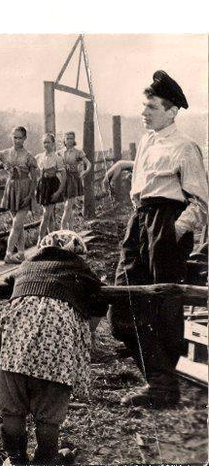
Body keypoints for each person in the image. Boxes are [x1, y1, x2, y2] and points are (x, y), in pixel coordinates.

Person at [108, 70, 208, 409]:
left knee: (163, 306)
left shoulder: (185, 147)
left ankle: (162, 386)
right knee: (122, 301)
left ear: (171, 111)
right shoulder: (149, 141)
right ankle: (162, 380)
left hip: (165, 225)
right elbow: (143, 185)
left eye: (151, 107)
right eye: (144, 105)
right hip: (140, 223)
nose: (144, 112)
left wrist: (173, 232)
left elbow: (201, 204)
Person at [0, 230, 107, 465]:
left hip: (15, 344)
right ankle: (46, 459)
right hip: (55, 348)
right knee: (48, 414)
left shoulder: (27, 265)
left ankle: (16, 459)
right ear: (77, 253)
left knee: (12, 410)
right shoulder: (79, 268)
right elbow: (100, 302)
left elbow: (8, 282)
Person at [0, 126, 38, 263]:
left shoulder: (29, 156)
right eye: (15, 137)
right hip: (12, 188)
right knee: (18, 225)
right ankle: (21, 254)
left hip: (25, 188)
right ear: (11, 137)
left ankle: (8, 254)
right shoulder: (4, 153)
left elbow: (35, 179)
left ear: (24, 139)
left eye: (20, 138)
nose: (17, 140)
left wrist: (30, 195)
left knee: (16, 224)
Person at [35, 133, 66, 246]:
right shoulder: (39, 157)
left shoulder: (57, 158)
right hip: (43, 185)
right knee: (50, 216)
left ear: (53, 143)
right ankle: (53, 241)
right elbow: (30, 165)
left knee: (46, 214)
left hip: (53, 186)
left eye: (48, 142)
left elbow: (64, 176)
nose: (46, 145)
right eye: (44, 142)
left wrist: (59, 191)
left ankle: (40, 239)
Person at [58, 131, 91, 230]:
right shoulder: (59, 152)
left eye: (72, 138)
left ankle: (62, 228)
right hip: (62, 179)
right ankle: (71, 229)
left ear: (74, 140)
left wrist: (85, 171)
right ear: (64, 139)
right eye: (67, 138)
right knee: (67, 207)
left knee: (68, 206)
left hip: (73, 179)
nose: (69, 140)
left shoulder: (78, 152)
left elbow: (89, 164)